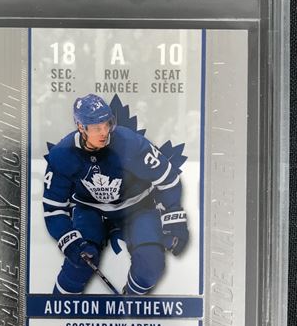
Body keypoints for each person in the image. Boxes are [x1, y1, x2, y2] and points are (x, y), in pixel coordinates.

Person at [43, 93, 189, 295]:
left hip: (137, 207)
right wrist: (71, 243)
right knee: (79, 264)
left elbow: (168, 179)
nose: (104, 132)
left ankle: (130, 302)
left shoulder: (130, 144)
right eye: (96, 128)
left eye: (107, 124)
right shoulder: (62, 154)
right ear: (80, 127)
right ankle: (58, 308)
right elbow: (54, 208)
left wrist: (174, 217)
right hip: (90, 210)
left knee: (151, 266)